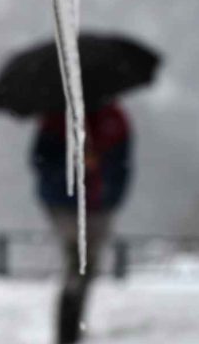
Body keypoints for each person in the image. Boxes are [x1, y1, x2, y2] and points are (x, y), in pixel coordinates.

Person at [31, 102, 132, 344]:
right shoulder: (57, 119)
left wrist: (104, 181)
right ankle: (68, 326)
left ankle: (73, 323)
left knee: (87, 265)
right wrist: (75, 165)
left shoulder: (115, 120)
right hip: (67, 205)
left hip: (98, 205)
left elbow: (121, 165)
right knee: (77, 261)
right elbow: (41, 160)